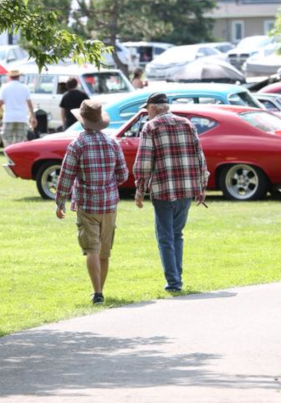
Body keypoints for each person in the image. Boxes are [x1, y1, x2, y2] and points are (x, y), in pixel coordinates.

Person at [55, 100, 129, 305]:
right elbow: (123, 174)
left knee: (92, 250)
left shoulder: (77, 145)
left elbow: (66, 176)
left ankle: (97, 292)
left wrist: (60, 201)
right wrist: (108, 184)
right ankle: (100, 290)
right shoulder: (113, 143)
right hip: (110, 204)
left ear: (82, 122)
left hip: (87, 204)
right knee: (105, 251)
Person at [133, 92, 208, 292]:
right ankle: (177, 278)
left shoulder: (151, 127)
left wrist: (140, 189)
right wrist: (201, 186)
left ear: (155, 108)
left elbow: (144, 162)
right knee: (177, 235)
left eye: (147, 108)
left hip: (163, 189)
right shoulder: (187, 124)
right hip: (186, 189)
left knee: (165, 237)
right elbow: (199, 156)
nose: (147, 113)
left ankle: (174, 283)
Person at [0, 69, 37, 146]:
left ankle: (9, 156)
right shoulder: (24, 87)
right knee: (21, 140)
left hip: (9, 118)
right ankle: (18, 157)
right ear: (19, 77)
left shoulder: (5, 87)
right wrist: (33, 117)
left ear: (9, 77)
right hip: (21, 118)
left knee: (7, 139)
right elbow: (29, 103)